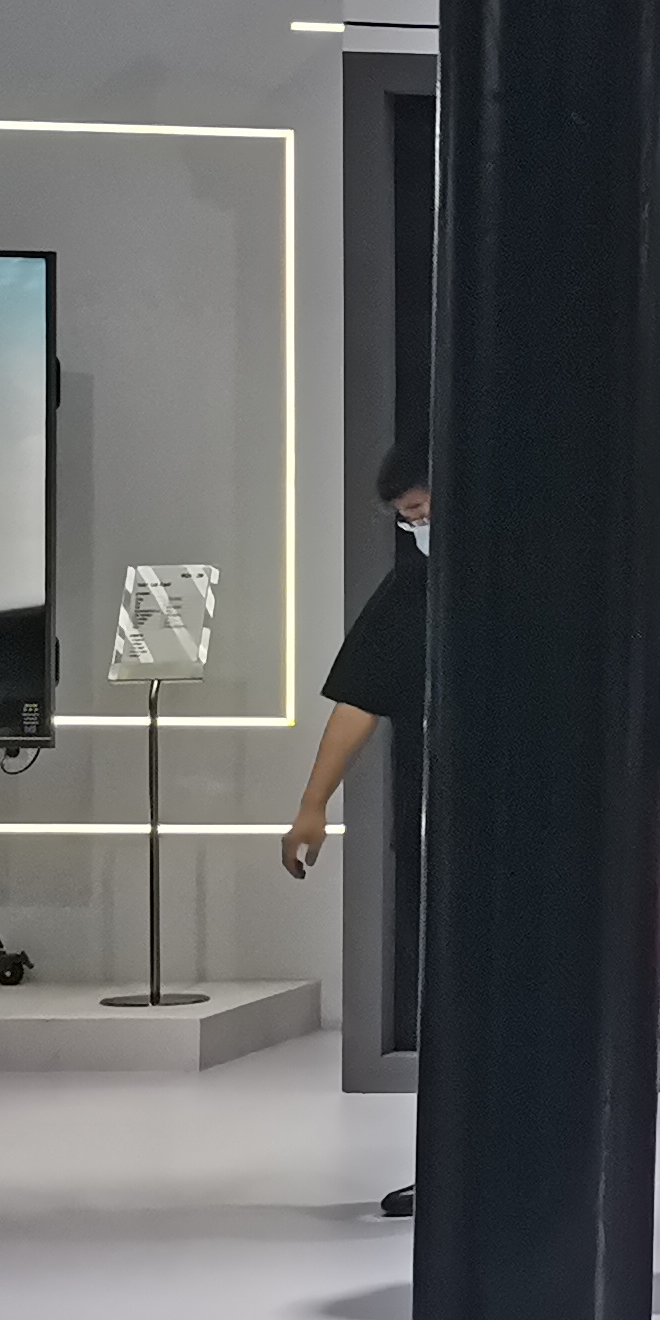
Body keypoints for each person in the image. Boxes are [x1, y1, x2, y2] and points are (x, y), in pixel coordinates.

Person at [282, 444, 428, 1217]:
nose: (419, 527)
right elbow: (361, 695)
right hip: (438, 822)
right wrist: (313, 804)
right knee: (442, 1002)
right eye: (408, 519)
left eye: (426, 510)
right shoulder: (413, 588)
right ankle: (451, 1163)